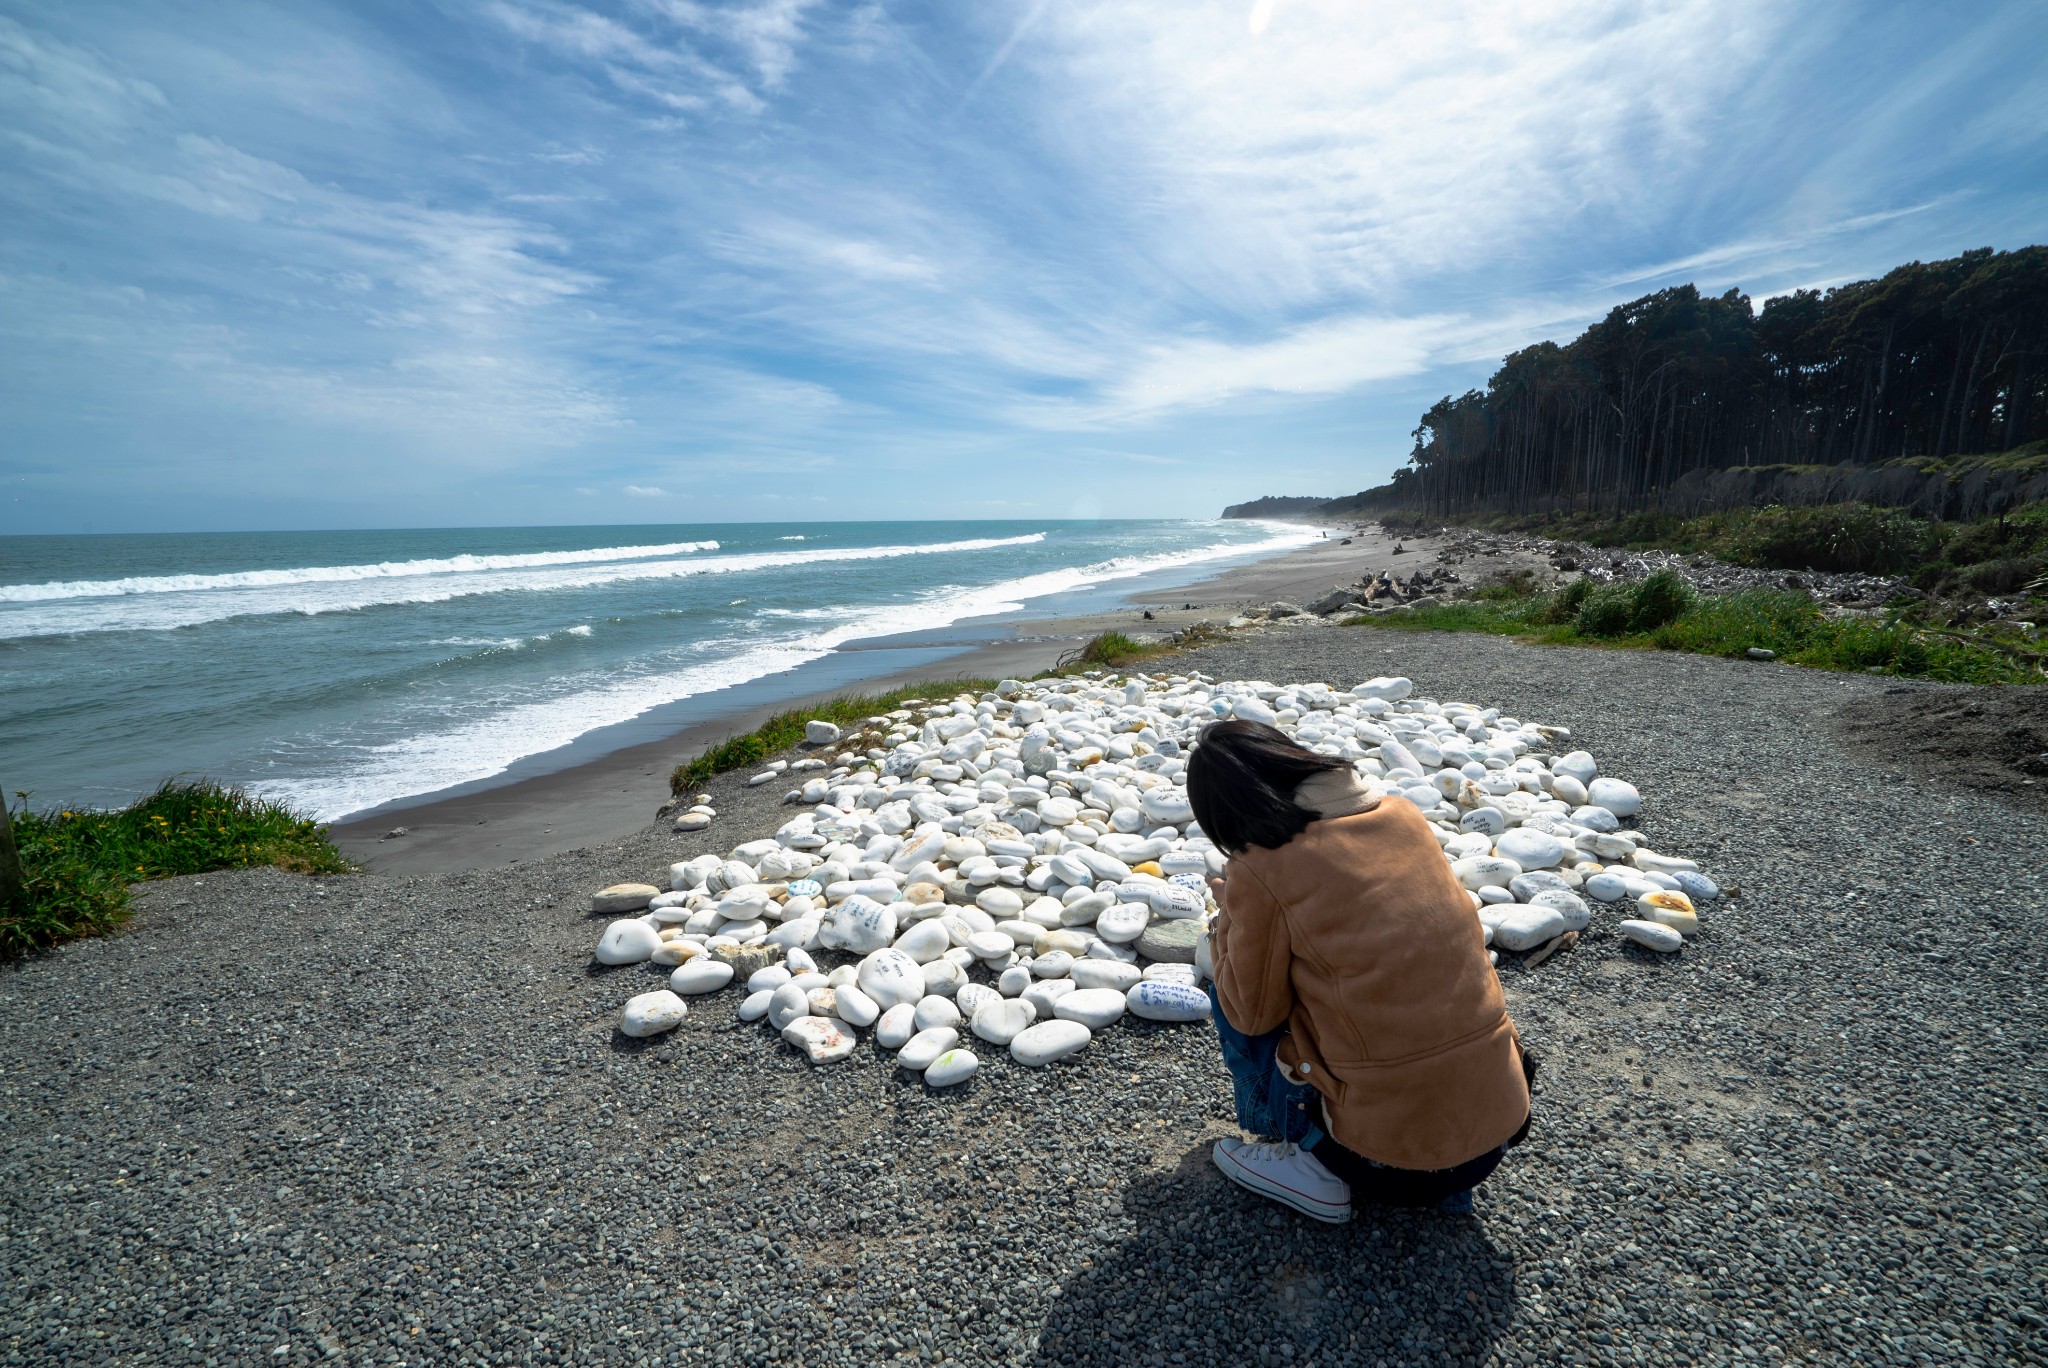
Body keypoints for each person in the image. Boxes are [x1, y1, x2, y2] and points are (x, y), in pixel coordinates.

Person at [1187, 719, 1533, 1223]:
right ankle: (1441, 1168)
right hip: (1494, 1130)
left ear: (1227, 814)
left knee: (1226, 983)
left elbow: (1252, 1014)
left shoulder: (1263, 865)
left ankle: (1311, 1163)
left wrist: (1229, 923)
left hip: (1381, 1165)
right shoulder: (1403, 816)